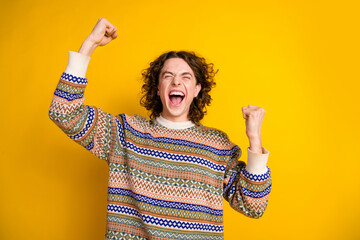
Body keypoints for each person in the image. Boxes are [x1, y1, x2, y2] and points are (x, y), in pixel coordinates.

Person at [48, 17, 272, 240]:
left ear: (196, 89)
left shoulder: (217, 145)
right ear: (157, 88)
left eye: (185, 77)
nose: (176, 82)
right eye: (168, 76)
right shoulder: (125, 134)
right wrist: (90, 44)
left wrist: (254, 139)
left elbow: (252, 206)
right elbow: (64, 112)